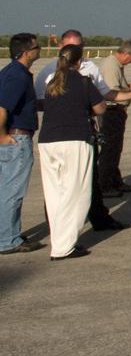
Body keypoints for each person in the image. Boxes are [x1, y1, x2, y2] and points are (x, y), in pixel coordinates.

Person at [35, 29, 131, 231]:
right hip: (59, 132)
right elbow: (38, 102)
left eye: (79, 46)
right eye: (70, 47)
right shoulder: (48, 71)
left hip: (85, 131)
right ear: (60, 47)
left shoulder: (89, 68)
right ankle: (56, 225)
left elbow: (107, 95)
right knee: (59, 184)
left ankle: (99, 218)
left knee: (90, 179)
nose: (75, 50)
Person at [37, 45, 106, 259]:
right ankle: (64, 247)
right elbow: (100, 108)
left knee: (55, 193)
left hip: (48, 141)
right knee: (78, 194)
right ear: (79, 61)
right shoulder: (83, 81)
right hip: (75, 140)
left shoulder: (51, 81)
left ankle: (58, 240)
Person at [0, 34, 43, 255]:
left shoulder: (12, 72)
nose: (40, 50)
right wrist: (2, 136)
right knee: (12, 191)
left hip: (13, 137)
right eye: (37, 47)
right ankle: (7, 240)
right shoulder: (17, 76)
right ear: (26, 52)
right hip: (16, 138)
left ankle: (7, 233)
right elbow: (1, 107)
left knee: (6, 189)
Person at [96, 40, 131, 197]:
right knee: (110, 149)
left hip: (114, 111)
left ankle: (114, 181)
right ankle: (105, 185)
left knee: (114, 149)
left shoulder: (115, 64)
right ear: (127, 54)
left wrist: (129, 87)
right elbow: (111, 91)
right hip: (111, 111)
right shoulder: (111, 66)